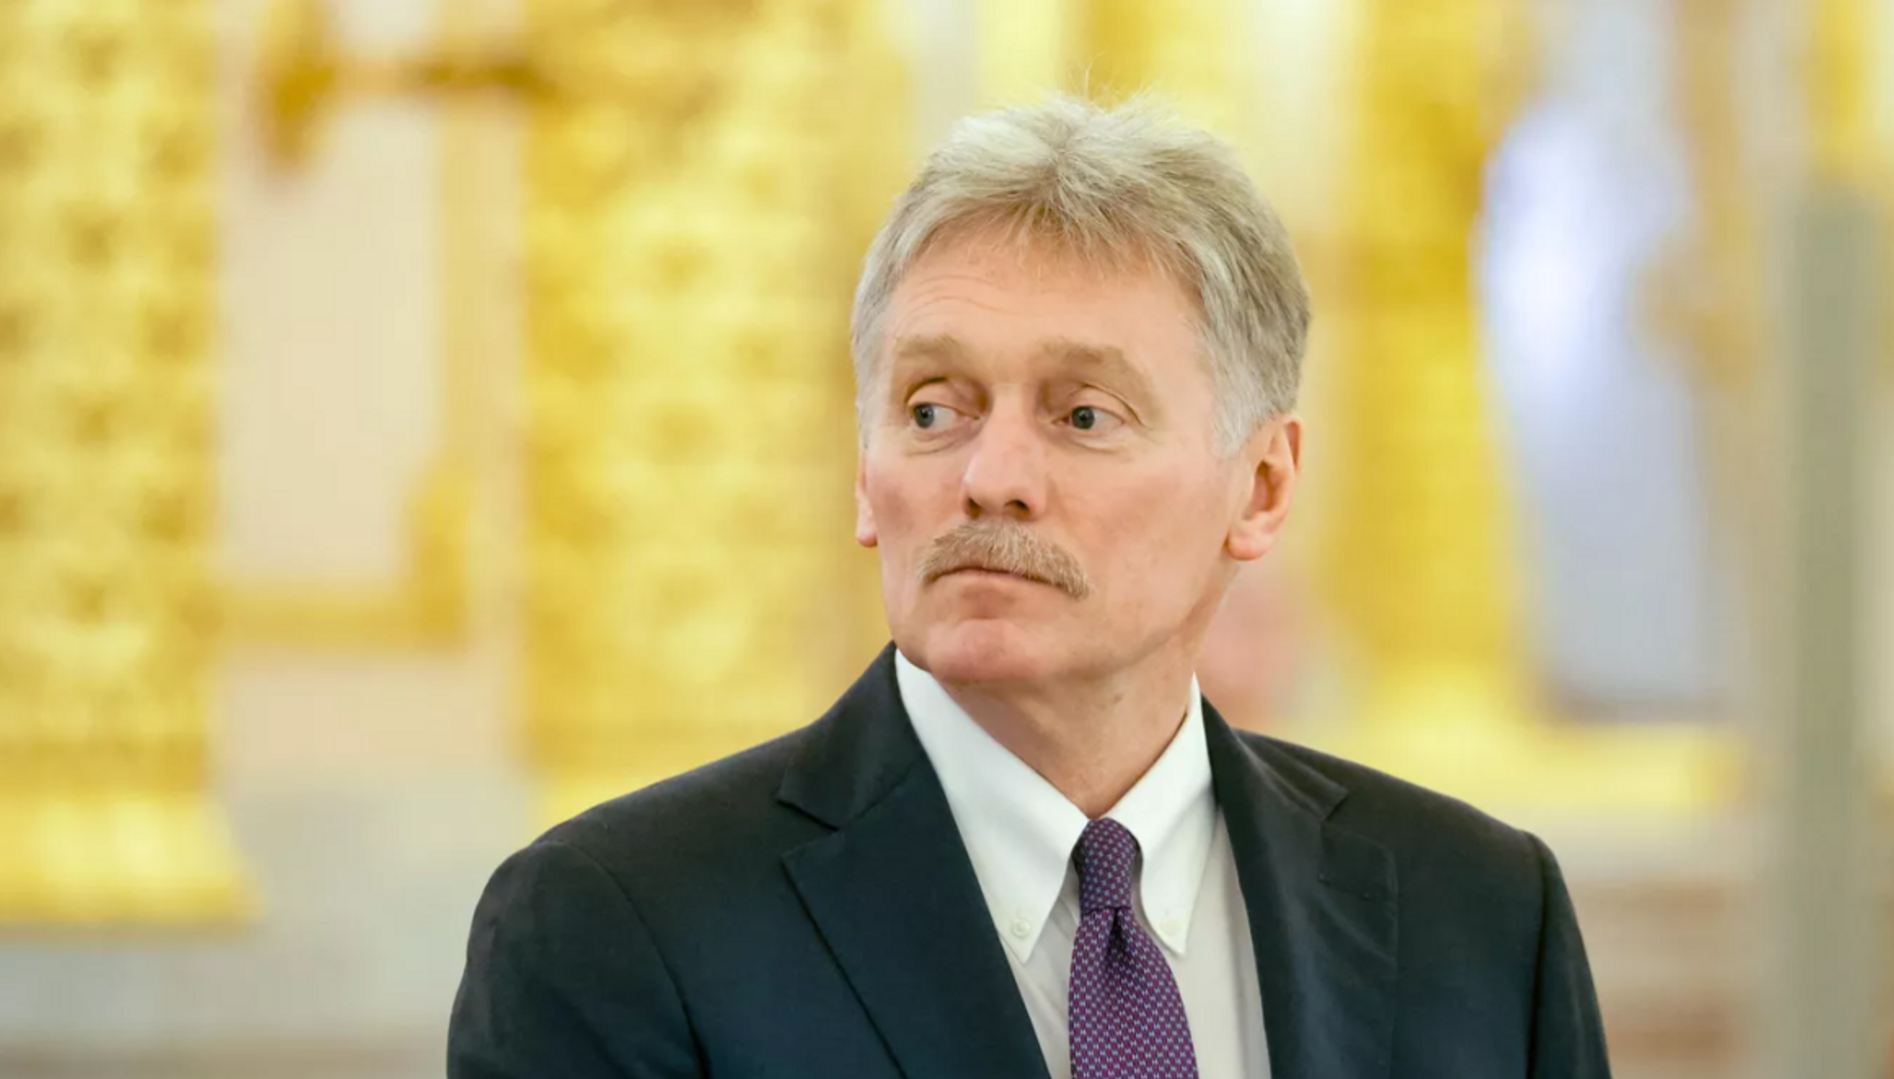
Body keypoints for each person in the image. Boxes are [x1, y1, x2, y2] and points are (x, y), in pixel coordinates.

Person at [447, 95, 1611, 1079]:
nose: (989, 476)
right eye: (933, 409)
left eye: (1083, 414)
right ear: (864, 476)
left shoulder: (1482, 916)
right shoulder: (620, 925)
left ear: (1261, 486)